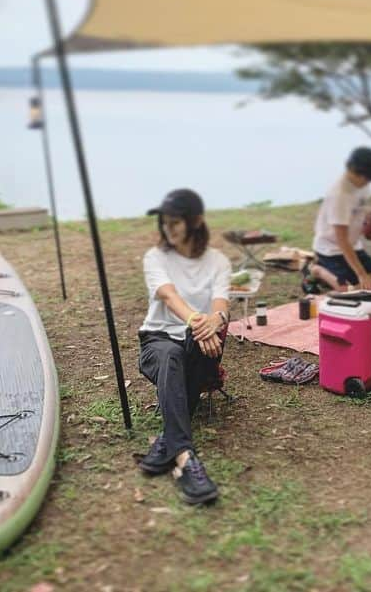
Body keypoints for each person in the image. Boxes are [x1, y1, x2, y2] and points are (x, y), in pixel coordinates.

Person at [136, 188, 231, 505]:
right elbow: (168, 295)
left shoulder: (218, 261)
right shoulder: (156, 257)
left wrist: (213, 323)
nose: (167, 229)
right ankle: (184, 457)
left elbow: (221, 304)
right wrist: (198, 321)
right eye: (164, 223)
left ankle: (167, 441)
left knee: (199, 339)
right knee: (172, 353)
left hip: (200, 344)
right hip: (158, 343)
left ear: (196, 221)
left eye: (175, 222)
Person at [307, 147, 371, 292]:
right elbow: (342, 240)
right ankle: (317, 269)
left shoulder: (363, 185)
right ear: (353, 170)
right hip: (330, 248)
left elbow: (359, 210)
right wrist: (361, 274)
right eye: (366, 177)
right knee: (351, 290)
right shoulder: (340, 195)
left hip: (353, 246)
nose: (368, 181)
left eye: (370, 177)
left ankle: (342, 274)